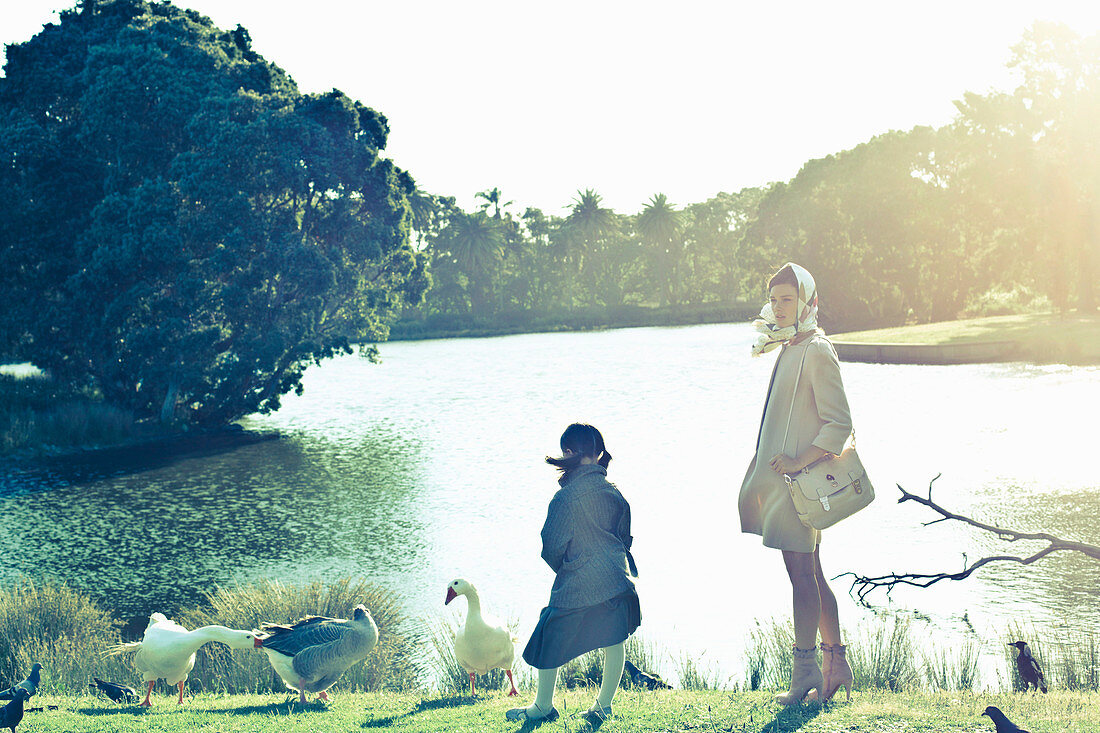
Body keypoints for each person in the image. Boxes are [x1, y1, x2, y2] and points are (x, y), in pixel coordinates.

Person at [738, 262, 855, 705]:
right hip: (787, 485)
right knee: (811, 574)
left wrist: (795, 461)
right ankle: (835, 662)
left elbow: (838, 423)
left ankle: (805, 670)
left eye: (788, 299)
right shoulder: (791, 346)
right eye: (774, 299)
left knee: (801, 576)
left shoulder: (817, 350)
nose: (779, 307)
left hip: (798, 483)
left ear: (807, 301)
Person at [506, 423, 640, 723]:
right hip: (619, 579)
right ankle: (603, 707)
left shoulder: (564, 499)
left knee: (548, 634)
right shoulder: (615, 493)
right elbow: (625, 539)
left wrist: (570, 570)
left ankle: (542, 708)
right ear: (597, 453)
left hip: (580, 581)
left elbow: (551, 547)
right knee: (613, 639)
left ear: (568, 453)